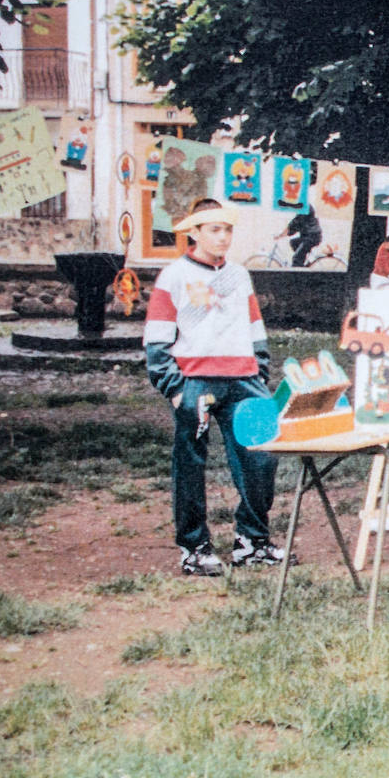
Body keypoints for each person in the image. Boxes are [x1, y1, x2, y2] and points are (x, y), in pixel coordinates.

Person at [144, 199, 289, 575]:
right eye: (214, 229)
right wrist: (174, 387)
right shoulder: (173, 276)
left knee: (261, 456)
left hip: (243, 380)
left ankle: (252, 540)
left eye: (228, 230)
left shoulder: (239, 275)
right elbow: (157, 339)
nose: (223, 237)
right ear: (194, 232)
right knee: (191, 464)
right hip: (196, 382)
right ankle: (194, 547)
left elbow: (255, 327)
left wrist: (258, 370)